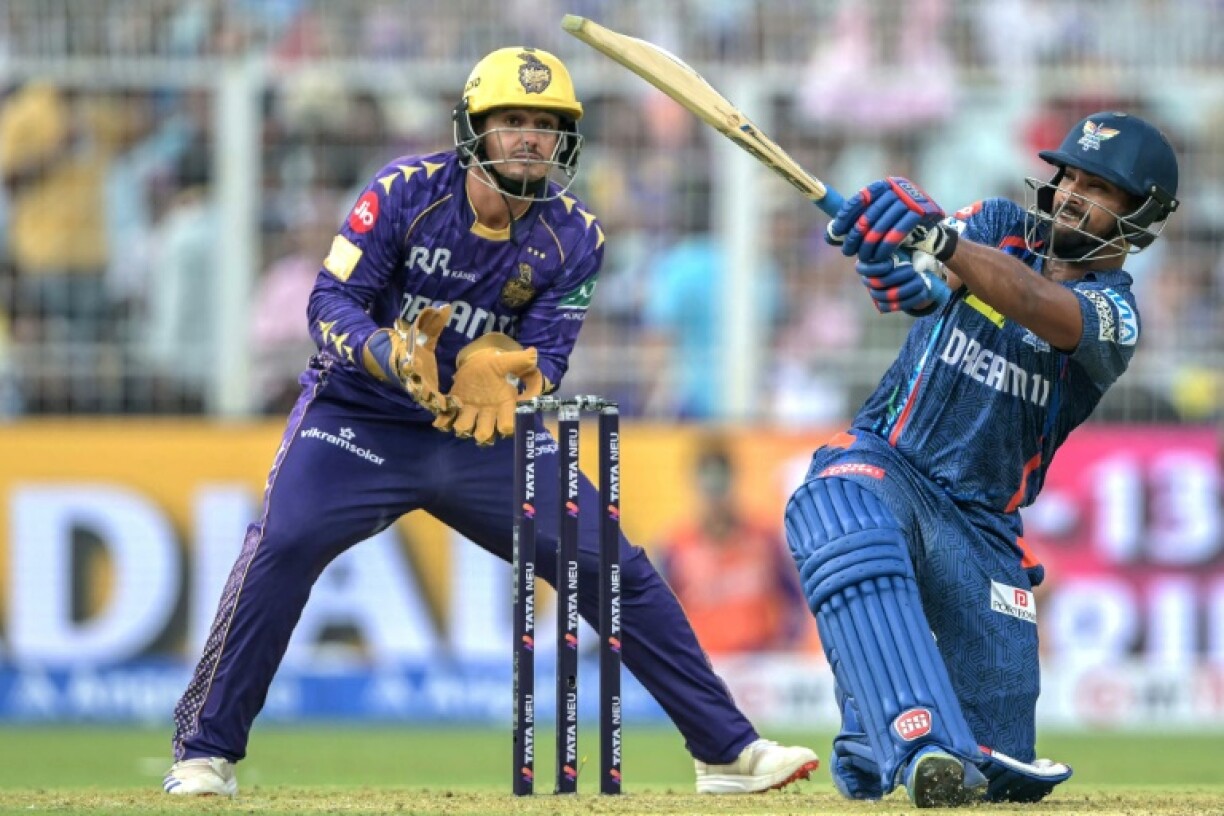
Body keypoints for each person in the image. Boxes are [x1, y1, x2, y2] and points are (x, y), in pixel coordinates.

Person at [162, 46, 818, 797]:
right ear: (473, 128)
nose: (531, 137)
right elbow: (327, 304)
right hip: (359, 417)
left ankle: (725, 751)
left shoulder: (576, 237)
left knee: (612, 565)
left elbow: (548, 359)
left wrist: (510, 375)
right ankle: (204, 751)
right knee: (282, 545)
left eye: (546, 123)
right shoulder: (402, 192)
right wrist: (385, 351)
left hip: (476, 434)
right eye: (512, 121)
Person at [783, 111, 1178, 807]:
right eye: (1069, 177)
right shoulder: (998, 223)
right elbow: (933, 275)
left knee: (997, 762)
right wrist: (898, 263)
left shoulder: (1115, 318)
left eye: (1101, 188)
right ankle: (910, 736)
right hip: (891, 463)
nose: (1071, 195)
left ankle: (873, 744)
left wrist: (937, 243)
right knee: (836, 508)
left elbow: (1028, 298)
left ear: (1142, 214)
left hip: (984, 529)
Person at [658, 438, 808, 655]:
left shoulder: (763, 539)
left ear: (732, 484)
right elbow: (660, 613)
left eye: (720, 487)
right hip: (704, 666)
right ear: (696, 487)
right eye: (708, 489)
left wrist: (786, 646)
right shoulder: (676, 547)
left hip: (759, 666)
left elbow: (794, 601)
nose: (715, 499)